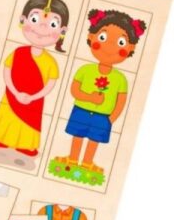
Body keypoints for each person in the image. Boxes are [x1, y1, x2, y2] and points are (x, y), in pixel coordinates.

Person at [54, 9, 146, 174]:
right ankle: (73, 159)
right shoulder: (84, 70)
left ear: (130, 48)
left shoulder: (121, 79)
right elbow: (74, 90)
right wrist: (89, 97)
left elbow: (121, 101)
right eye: (103, 37)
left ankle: (87, 163)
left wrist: (111, 119)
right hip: (81, 110)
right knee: (77, 135)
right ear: (91, 37)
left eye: (121, 42)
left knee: (94, 139)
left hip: (103, 116)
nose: (109, 46)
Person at [0, 0, 69, 157]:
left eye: (52, 24)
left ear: (62, 31)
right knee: (7, 115)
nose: (42, 28)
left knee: (30, 121)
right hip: (12, 95)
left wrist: (33, 97)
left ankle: (26, 144)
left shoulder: (51, 62)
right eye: (35, 19)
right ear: (23, 20)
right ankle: (1, 138)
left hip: (34, 100)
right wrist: (15, 92)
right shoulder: (18, 52)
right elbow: (7, 72)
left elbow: (50, 85)